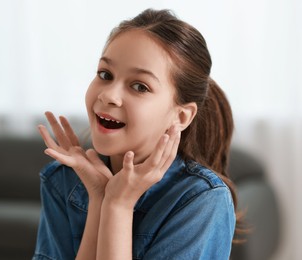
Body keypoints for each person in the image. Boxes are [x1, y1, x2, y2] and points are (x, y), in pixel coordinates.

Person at [33, 8, 239, 260]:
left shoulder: (201, 200)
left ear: (181, 116)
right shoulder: (63, 180)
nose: (108, 95)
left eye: (140, 86)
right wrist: (99, 200)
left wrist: (118, 205)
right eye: (105, 74)